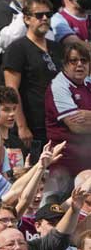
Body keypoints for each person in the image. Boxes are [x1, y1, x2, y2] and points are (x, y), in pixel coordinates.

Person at [3, 0, 63, 160]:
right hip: (33, 125)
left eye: (48, 14)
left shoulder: (58, 48)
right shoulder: (17, 49)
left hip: (58, 124)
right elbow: (12, 90)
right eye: (39, 15)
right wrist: (22, 126)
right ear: (26, 19)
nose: (44, 18)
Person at [45, 41, 91, 195]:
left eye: (84, 61)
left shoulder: (88, 83)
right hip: (64, 169)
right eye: (73, 61)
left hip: (86, 165)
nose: (79, 65)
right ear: (64, 64)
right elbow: (76, 126)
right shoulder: (58, 86)